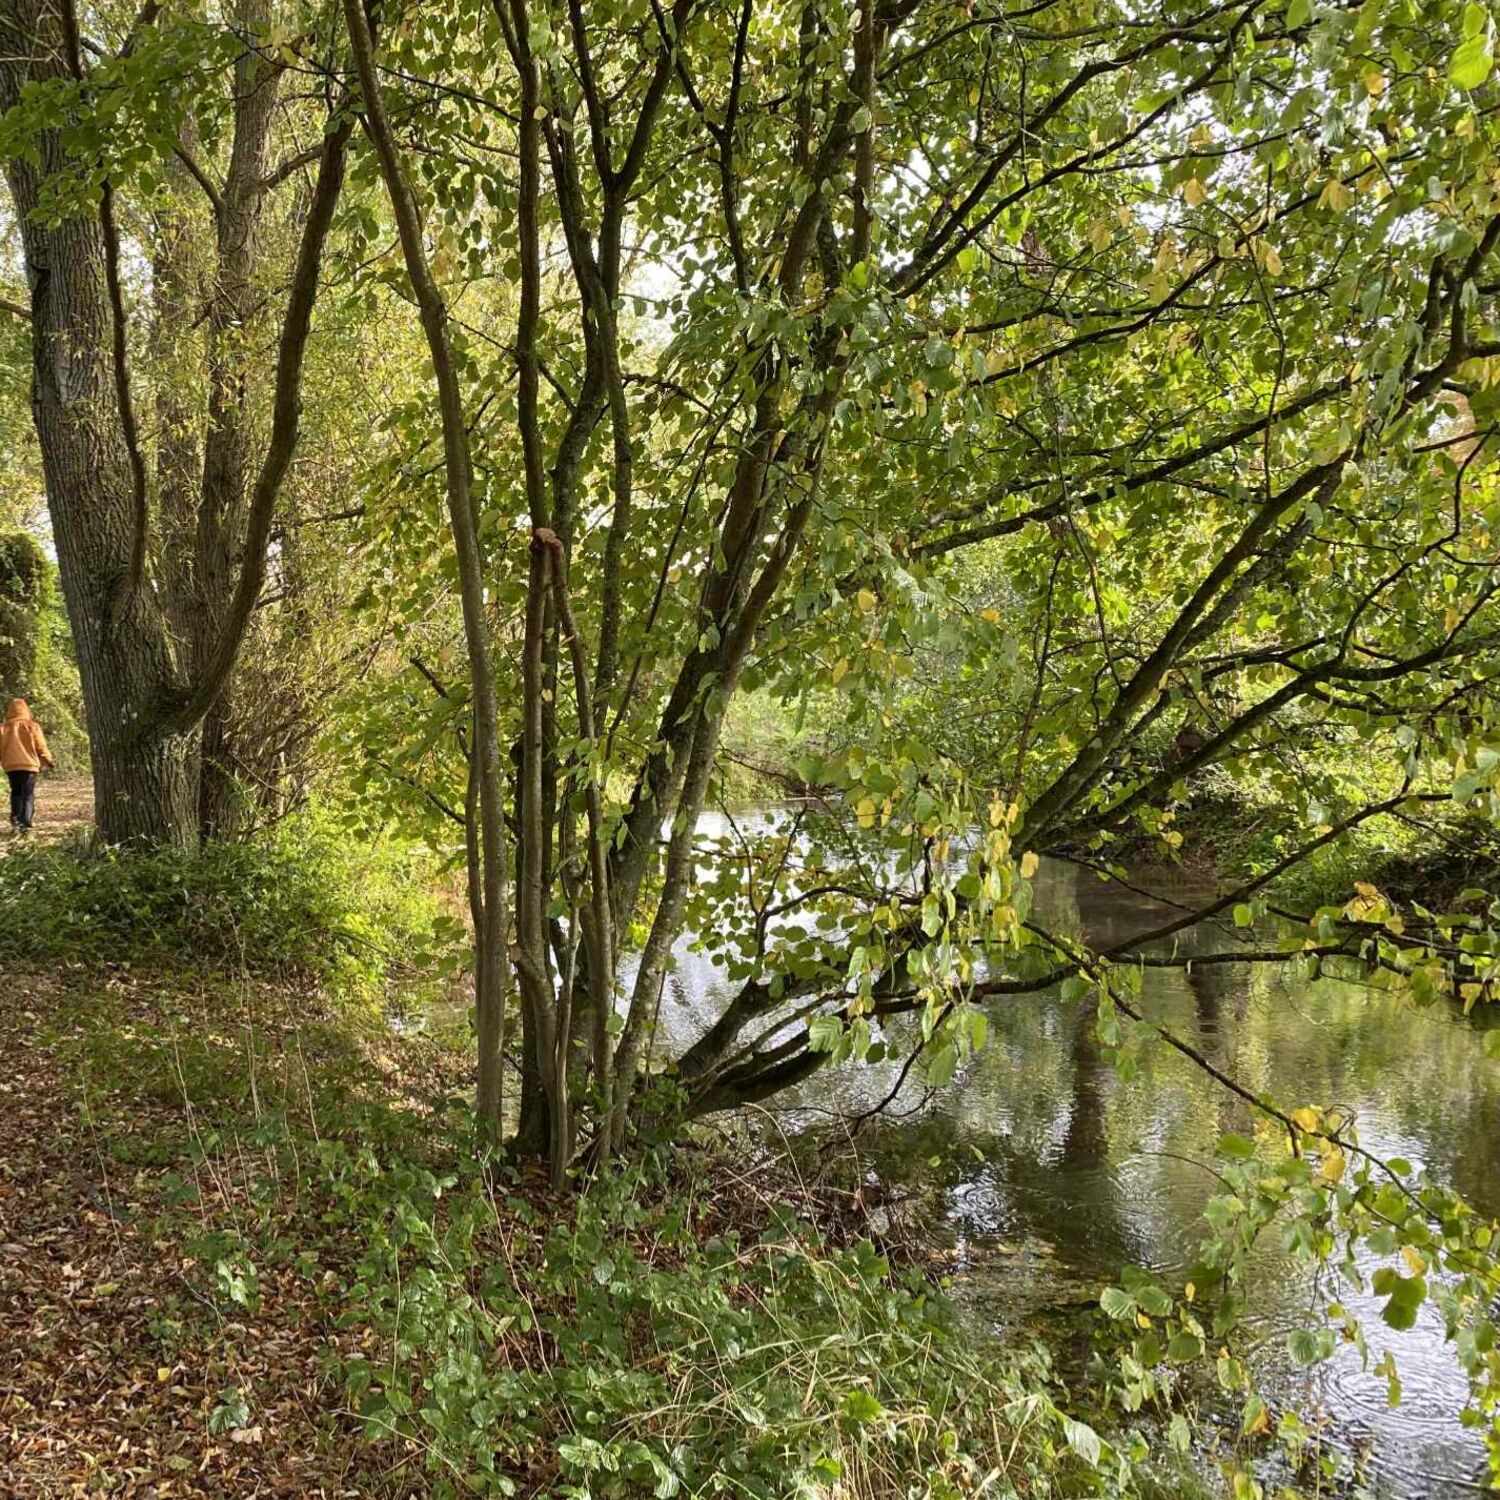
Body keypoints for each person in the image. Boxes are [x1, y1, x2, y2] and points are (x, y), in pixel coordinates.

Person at [0, 698, 53, 833]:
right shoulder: (32, 726)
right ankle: (26, 822)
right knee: (28, 794)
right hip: (29, 766)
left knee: (16, 792)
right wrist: (48, 761)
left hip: (11, 766)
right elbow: (40, 746)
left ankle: (16, 820)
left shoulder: (3, 728)